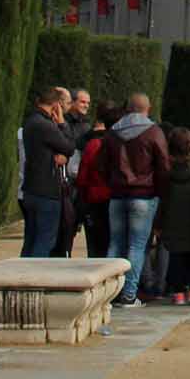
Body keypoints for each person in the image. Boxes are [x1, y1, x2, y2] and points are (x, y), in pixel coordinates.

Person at [102, 93, 170, 307]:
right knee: (137, 246)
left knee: (114, 243)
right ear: (147, 109)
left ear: (127, 109)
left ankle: (107, 293)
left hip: (117, 194)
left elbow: (101, 165)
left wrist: (113, 182)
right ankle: (129, 295)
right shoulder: (153, 132)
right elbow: (163, 166)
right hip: (144, 195)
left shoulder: (112, 133)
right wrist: (160, 192)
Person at [17, 86, 76, 258]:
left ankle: (21, 279)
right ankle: (33, 281)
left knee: (30, 239)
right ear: (56, 105)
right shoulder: (45, 125)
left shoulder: (30, 122)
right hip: (47, 191)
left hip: (30, 189)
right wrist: (62, 123)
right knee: (44, 241)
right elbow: (69, 146)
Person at [158, 127, 190, 305]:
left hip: (172, 218)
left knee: (175, 255)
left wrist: (159, 223)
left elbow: (162, 197)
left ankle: (178, 292)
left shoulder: (166, 171)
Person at [73, 102, 120, 261]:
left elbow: (82, 178)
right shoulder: (120, 145)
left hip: (94, 200)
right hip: (114, 199)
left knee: (95, 246)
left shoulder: (94, 144)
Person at [53, 89, 95, 257]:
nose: (86, 105)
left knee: (71, 224)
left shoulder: (86, 126)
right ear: (73, 103)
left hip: (78, 183)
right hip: (64, 180)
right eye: (82, 102)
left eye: (88, 103)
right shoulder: (64, 122)